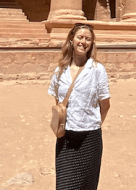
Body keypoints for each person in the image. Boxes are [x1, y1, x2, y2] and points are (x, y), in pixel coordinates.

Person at [48, 23, 111, 190]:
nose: (83, 42)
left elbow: (105, 105)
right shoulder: (59, 71)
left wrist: (91, 123)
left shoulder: (97, 70)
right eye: (80, 37)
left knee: (86, 186)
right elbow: (58, 103)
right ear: (71, 40)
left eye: (88, 39)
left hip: (89, 138)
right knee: (64, 186)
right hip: (65, 137)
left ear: (92, 43)